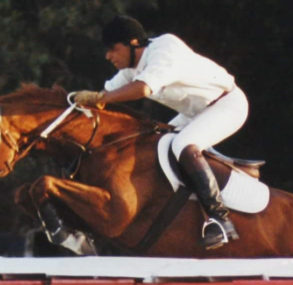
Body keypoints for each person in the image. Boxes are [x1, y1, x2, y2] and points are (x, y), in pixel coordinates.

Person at [74, 15, 249, 250]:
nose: (108, 56)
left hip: (227, 104)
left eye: (112, 49)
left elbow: (142, 89)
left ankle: (220, 220)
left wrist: (101, 98)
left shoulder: (164, 48)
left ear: (133, 43)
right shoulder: (132, 67)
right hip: (196, 112)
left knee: (182, 145)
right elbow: (105, 94)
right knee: (155, 143)